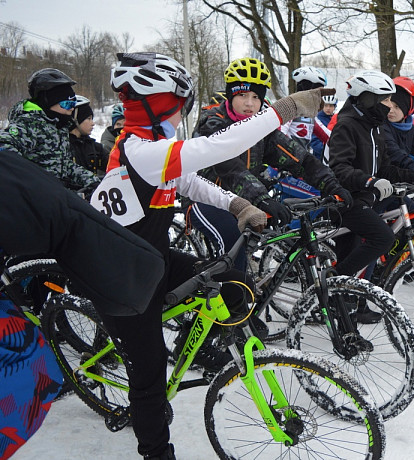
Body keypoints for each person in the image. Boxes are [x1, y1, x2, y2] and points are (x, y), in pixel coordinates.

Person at [89, 51, 328, 460]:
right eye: (177, 106)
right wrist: (284, 109)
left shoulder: (154, 147)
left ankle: (206, 347)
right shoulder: (139, 150)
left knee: (231, 284)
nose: (180, 115)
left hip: (150, 258)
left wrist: (238, 205)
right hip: (120, 277)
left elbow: (192, 182)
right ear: (154, 105)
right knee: (148, 385)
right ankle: (156, 451)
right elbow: (216, 149)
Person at [0, 149, 165, 460]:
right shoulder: (138, 146)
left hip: (108, 245)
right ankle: (156, 449)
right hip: (85, 245)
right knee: (147, 372)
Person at [191, 57, 352, 269]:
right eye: (242, 95)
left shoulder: (260, 127)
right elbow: (230, 168)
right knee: (232, 260)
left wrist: (330, 183)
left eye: (256, 96)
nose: (249, 103)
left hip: (246, 201)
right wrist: (262, 199)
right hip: (206, 199)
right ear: (230, 95)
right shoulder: (213, 123)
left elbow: (298, 158)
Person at [326, 70, 414, 321]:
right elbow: (340, 168)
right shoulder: (346, 125)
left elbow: (385, 167)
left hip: (365, 198)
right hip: (344, 199)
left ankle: (343, 301)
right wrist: (370, 181)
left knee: (356, 250)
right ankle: (333, 281)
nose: (389, 106)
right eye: (384, 100)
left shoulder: (376, 127)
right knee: (381, 238)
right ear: (367, 98)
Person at [0, 68, 99, 191]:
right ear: (49, 102)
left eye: (73, 103)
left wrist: (93, 181)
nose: (71, 109)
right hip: (37, 198)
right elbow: (4, 147)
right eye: (66, 104)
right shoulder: (30, 123)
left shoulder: (59, 126)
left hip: (58, 194)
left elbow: (64, 165)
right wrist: (29, 182)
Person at [281, 65, 332, 152]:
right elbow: (280, 135)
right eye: (318, 93)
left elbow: (327, 135)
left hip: (299, 160)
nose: (319, 97)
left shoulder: (310, 114)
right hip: (282, 161)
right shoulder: (291, 108)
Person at [68, 95, 108, 176]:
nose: (93, 123)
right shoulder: (62, 146)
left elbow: (112, 166)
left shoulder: (95, 148)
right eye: (88, 119)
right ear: (76, 119)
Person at [310, 94, 337, 160]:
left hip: (333, 155)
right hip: (320, 156)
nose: (328, 108)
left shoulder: (336, 118)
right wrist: (327, 152)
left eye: (330, 106)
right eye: (326, 105)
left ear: (334, 107)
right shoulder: (317, 119)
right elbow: (314, 140)